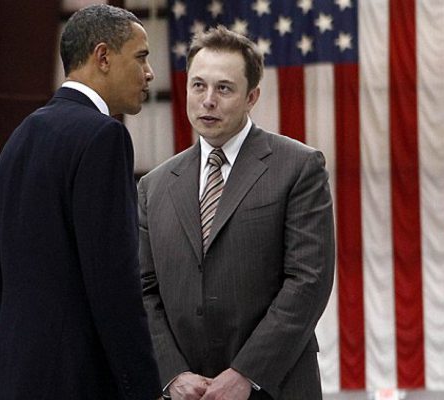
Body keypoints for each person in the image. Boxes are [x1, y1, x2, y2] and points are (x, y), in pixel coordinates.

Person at [138, 26, 335, 400]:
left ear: (252, 97)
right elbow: (144, 290)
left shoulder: (298, 167)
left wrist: (247, 373)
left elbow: (308, 281)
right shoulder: (154, 186)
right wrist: (172, 373)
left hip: (274, 387)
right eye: (198, 86)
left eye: (224, 88)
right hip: (186, 392)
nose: (208, 100)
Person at [0, 4, 162, 399]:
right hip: (79, 380)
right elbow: (114, 284)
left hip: (18, 374)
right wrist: (144, 388)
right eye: (140, 57)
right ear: (103, 57)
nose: (149, 72)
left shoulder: (20, 137)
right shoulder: (103, 137)